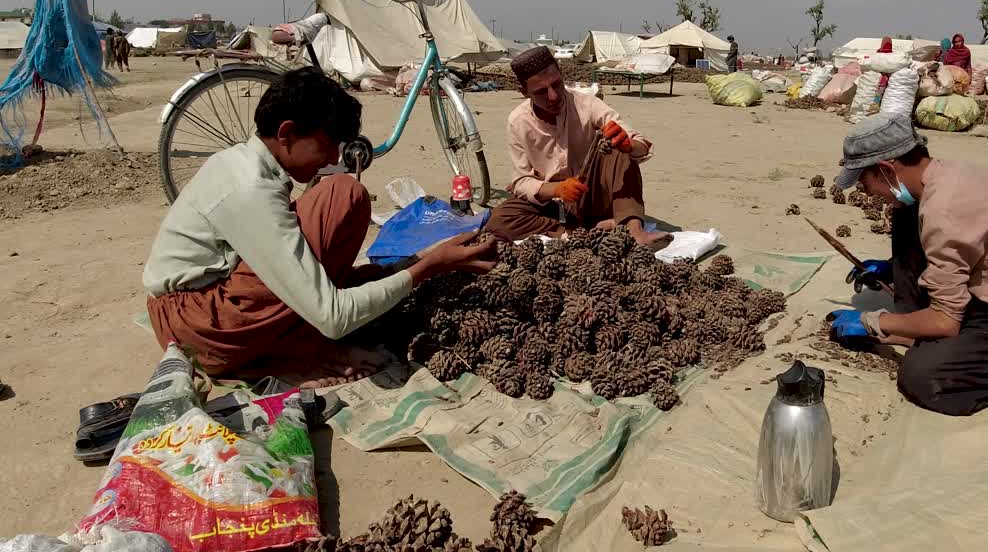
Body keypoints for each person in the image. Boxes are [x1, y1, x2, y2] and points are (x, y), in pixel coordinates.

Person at [143, 68, 497, 387]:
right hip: (198, 328)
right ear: (287, 133)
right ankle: (295, 349)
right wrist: (428, 268)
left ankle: (292, 338)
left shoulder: (255, 166)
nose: (331, 159)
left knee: (344, 194)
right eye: (327, 145)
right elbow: (334, 316)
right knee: (341, 195)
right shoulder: (250, 190)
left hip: (206, 309)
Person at [828, 114, 988, 416]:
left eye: (865, 183)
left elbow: (946, 321)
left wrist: (873, 321)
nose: (867, 194)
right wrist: (893, 268)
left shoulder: (944, 211)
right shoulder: (948, 175)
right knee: (906, 213)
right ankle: (921, 328)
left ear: (886, 170)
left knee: (922, 376)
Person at [486, 45, 669, 247]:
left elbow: (640, 143)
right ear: (524, 92)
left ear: (562, 75)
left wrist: (628, 145)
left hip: (593, 197)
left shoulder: (587, 104)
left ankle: (633, 230)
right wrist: (557, 189)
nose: (553, 96)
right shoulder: (517, 121)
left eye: (556, 85)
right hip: (553, 206)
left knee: (617, 145)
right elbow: (521, 181)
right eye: (541, 92)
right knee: (499, 220)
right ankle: (575, 233)